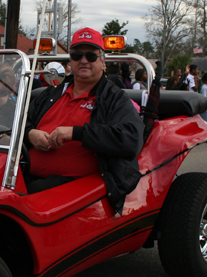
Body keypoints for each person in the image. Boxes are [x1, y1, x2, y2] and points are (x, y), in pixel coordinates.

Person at [25, 27, 144, 214]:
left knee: (28, 198)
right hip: (27, 173)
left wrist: (75, 133)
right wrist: (30, 133)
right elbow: (20, 122)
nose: (83, 60)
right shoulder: (52, 93)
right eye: (77, 55)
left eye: (91, 56)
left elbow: (131, 139)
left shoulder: (113, 98)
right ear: (70, 61)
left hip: (77, 187)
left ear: (103, 61)